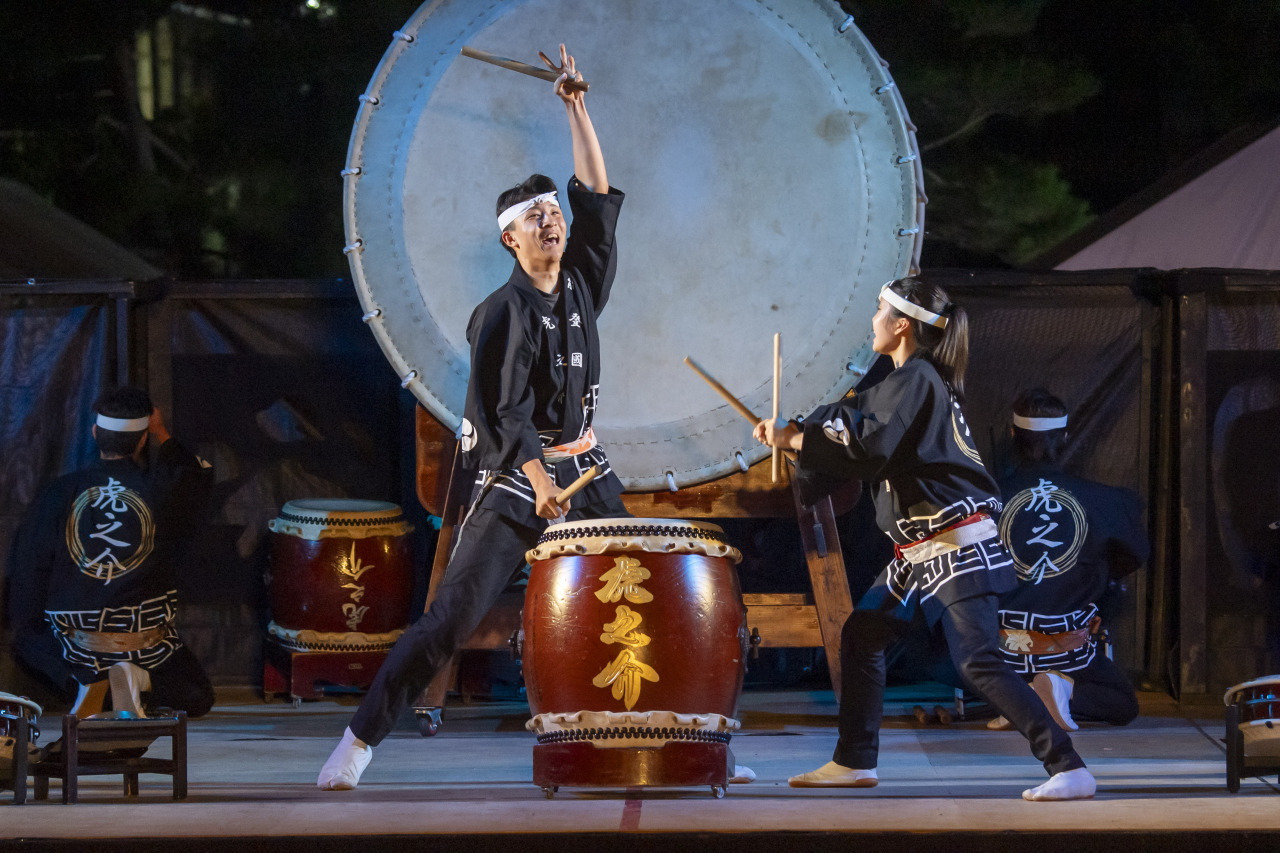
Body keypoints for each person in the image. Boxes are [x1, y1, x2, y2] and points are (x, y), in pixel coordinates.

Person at [319, 45, 706, 790]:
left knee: (647, 592)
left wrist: (576, 105)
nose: (551, 220)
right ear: (511, 238)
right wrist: (540, 480)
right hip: (516, 480)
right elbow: (505, 411)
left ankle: (682, 743)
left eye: (554, 212)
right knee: (451, 618)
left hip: (585, 469)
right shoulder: (501, 312)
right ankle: (359, 741)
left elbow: (596, 195)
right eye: (535, 217)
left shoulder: (581, 286)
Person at [754, 277, 1095, 801]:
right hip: (921, 549)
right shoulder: (911, 382)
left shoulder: (916, 379)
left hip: (955, 540)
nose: (873, 320)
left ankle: (1068, 766)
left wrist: (796, 438)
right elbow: (857, 433)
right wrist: (798, 436)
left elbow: (868, 447)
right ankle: (854, 761)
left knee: (977, 660)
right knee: (863, 635)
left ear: (902, 325)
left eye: (879, 310)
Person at [4, 387, 215, 718]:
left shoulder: (58, 493)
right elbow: (196, 475)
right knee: (197, 695)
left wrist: (30, 621)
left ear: (95, 433)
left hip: (76, 646)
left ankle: (87, 684)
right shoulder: (163, 489)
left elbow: (31, 569)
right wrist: (161, 431)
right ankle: (138, 680)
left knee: (26, 643)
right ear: (142, 439)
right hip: (144, 645)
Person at [986, 388, 1148, 731]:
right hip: (1067, 654)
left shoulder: (987, 501)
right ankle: (1059, 690)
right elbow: (1134, 553)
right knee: (1121, 703)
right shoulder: (1105, 501)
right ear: (1064, 437)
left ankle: (1017, 696)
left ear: (1012, 435)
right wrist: (1091, 575)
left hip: (999, 656)